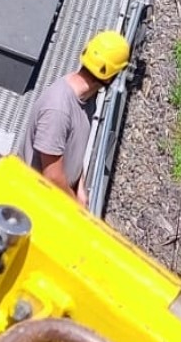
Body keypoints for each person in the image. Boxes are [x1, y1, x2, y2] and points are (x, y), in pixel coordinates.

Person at [20, 30, 132, 211]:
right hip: (35, 202)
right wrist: (76, 207)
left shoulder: (87, 98)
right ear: (111, 75)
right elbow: (52, 176)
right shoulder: (58, 110)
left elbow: (72, 151)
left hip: (55, 196)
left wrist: (80, 189)